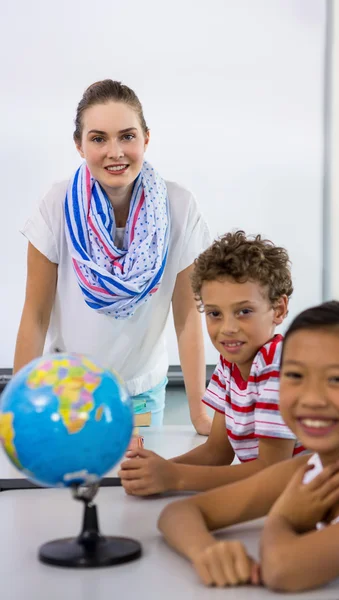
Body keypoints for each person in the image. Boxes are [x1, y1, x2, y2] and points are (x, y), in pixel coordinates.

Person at [158, 301, 339, 599]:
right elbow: (179, 513)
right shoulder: (307, 470)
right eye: (295, 376)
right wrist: (207, 552)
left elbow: (281, 570)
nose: (312, 399)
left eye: (337, 379)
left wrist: (283, 519)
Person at [14, 79, 212, 435]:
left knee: (135, 487)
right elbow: (36, 316)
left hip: (142, 395)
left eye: (127, 136)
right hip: (67, 393)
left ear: (146, 139)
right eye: (98, 138)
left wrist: (199, 413)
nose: (115, 152)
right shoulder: (56, 205)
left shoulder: (179, 207)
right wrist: (14, 410)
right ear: (79, 145)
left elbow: (186, 318)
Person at [119, 231, 305, 496]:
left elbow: (271, 472)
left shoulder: (278, 364)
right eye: (215, 313)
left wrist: (174, 476)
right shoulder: (231, 363)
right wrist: (155, 471)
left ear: (278, 309)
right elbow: (217, 452)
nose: (228, 328)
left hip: (306, 502)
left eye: (244, 311)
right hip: (272, 497)